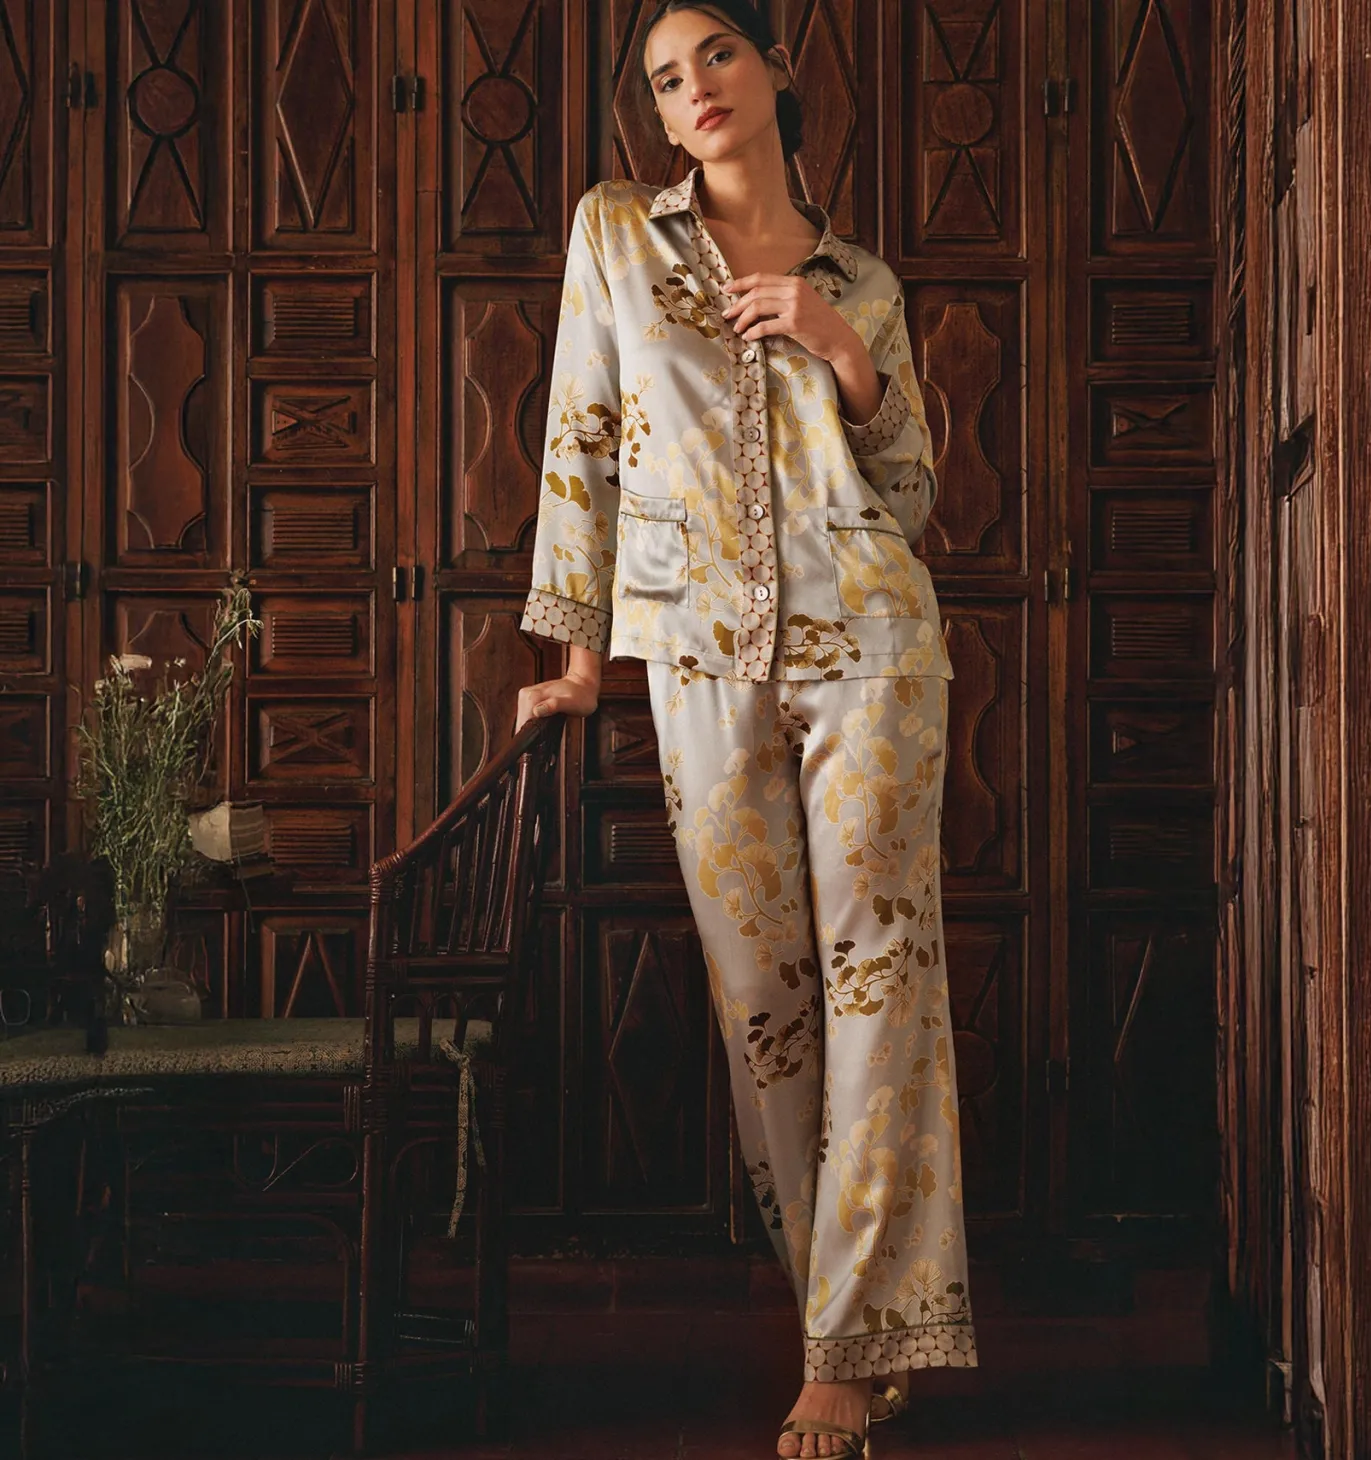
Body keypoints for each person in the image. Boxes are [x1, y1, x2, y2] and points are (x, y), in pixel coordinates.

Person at [514, 3, 975, 1454]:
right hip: (698, 657)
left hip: (872, 646)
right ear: (655, 118)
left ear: (778, 66)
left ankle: (844, 1350)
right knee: (765, 1006)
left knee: (882, 986)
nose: (695, 87)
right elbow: (581, 437)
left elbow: (911, 497)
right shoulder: (617, 235)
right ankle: (854, 1316)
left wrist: (842, 350)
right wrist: (579, 663)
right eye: (666, 77)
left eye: (717, 52)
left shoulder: (863, 281)